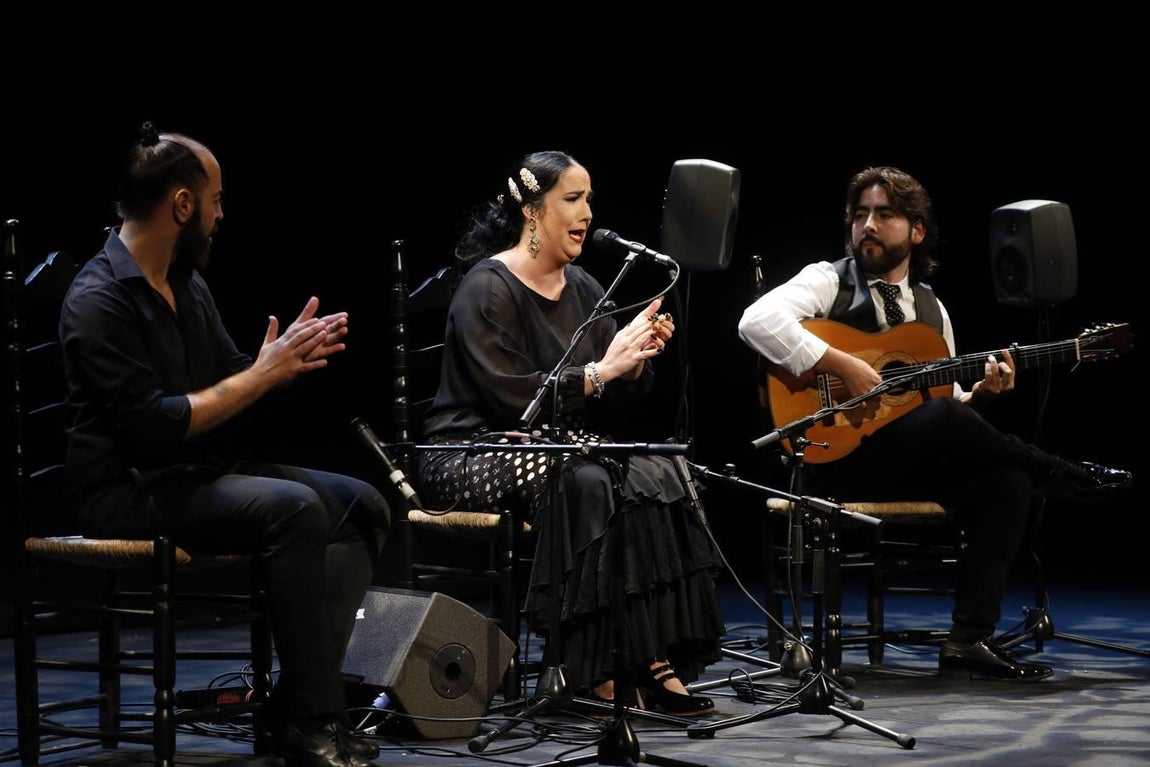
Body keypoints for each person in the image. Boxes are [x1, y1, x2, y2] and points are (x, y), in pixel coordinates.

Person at [59, 122, 390, 767]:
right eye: (214, 199)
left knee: (362, 504)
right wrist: (258, 376)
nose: (219, 214)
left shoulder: (186, 286)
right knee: (293, 509)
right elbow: (152, 427)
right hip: (131, 490)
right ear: (182, 204)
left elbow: (230, 383)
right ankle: (311, 720)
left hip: (196, 474)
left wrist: (278, 365)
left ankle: (301, 700)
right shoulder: (98, 299)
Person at [737, 165, 1132, 682]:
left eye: (884, 214)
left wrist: (984, 396)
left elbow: (942, 418)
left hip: (905, 462)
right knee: (964, 430)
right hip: (832, 461)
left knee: (1006, 480)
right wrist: (843, 364)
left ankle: (968, 639)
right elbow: (755, 322)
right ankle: (1061, 473)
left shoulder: (931, 311)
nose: (867, 226)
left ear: (917, 230)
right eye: (860, 215)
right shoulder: (827, 279)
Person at [417, 151, 726, 716]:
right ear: (533, 211)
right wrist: (599, 371)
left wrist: (634, 360)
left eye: (589, 200)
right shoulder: (487, 287)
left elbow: (611, 392)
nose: (587, 212)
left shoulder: (583, 286)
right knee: (588, 478)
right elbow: (513, 397)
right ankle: (593, 666)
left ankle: (649, 656)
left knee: (657, 469)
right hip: (472, 450)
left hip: (555, 448)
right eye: (573, 199)